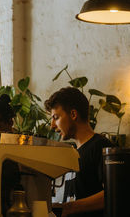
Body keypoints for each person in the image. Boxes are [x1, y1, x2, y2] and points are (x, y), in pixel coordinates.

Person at [44, 87, 113, 217]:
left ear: (73, 114)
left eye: (56, 117)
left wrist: (67, 208)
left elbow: (113, 193)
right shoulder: (74, 153)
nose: (52, 125)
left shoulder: (100, 146)